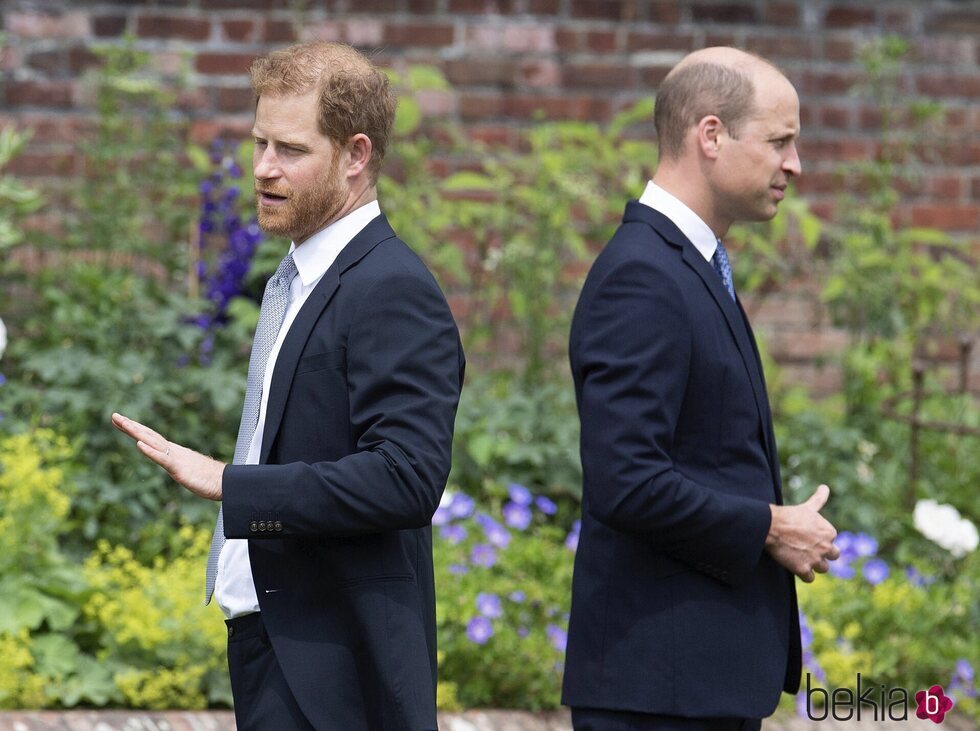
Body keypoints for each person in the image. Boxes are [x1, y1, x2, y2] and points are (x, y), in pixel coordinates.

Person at [113, 42, 464, 730]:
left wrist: (233, 483)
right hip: (277, 644)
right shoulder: (300, 275)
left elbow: (408, 477)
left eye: (292, 150)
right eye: (259, 143)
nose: (264, 169)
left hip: (337, 672)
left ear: (356, 155)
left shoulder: (390, 285)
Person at [562, 47, 840, 731]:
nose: (795, 164)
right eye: (781, 141)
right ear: (710, 135)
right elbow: (626, 479)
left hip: (688, 685)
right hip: (659, 692)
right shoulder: (644, 277)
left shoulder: (687, 265)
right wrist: (771, 525)